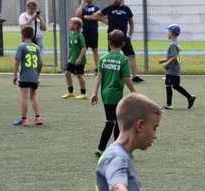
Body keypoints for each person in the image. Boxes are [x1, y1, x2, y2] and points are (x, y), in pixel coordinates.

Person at [90, 30, 135, 158]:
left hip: (105, 95)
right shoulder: (123, 59)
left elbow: (98, 77)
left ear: (109, 43)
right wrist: (134, 92)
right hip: (115, 95)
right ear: (123, 44)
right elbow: (127, 79)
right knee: (113, 122)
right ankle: (110, 149)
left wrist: (94, 93)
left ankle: (105, 149)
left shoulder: (103, 58)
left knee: (113, 121)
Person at [84, 0, 144, 83]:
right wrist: (90, 18)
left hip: (123, 37)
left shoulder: (126, 9)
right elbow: (96, 15)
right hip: (113, 37)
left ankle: (135, 76)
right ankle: (111, 76)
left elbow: (131, 23)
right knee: (112, 57)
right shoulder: (109, 8)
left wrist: (129, 35)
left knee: (131, 55)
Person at [159, 24, 195, 110]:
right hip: (175, 69)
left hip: (172, 69)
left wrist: (166, 64)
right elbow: (174, 56)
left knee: (169, 85)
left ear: (172, 33)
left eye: (169, 32)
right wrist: (164, 60)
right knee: (175, 86)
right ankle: (190, 97)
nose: (168, 33)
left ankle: (169, 104)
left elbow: (174, 57)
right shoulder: (175, 43)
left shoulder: (172, 45)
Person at [13, 26, 43, 126]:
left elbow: (17, 62)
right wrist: (37, 75)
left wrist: (15, 75)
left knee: (24, 97)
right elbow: (40, 63)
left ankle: (24, 119)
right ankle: (38, 118)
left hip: (24, 76)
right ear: (33, 35)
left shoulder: (21, 46)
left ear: (22, 35)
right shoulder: (36, 47)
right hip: (34, 76)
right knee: (33, 96)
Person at [62, 17, 88, 99]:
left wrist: (79, 58)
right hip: (72, 60)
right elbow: (70, 47)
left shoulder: (80, 35)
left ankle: (83, 93)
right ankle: (70, 92)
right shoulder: (71, 35)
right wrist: (69, 57)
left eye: (71, 23)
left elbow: (84, 48)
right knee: (67, 73)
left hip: (79, 60)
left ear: (76, 25)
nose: (69, 25)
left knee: (79, 76)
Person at [76, 0, 100, 73]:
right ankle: (81, 68)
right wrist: (82, 3)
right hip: (85, 31)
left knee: (95, 50)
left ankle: (97, 68)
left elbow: (97, 17)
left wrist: (87, 17)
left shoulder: (96, 8)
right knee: (83, 50)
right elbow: (77, 15)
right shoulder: (83, 8)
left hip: (93, 31)